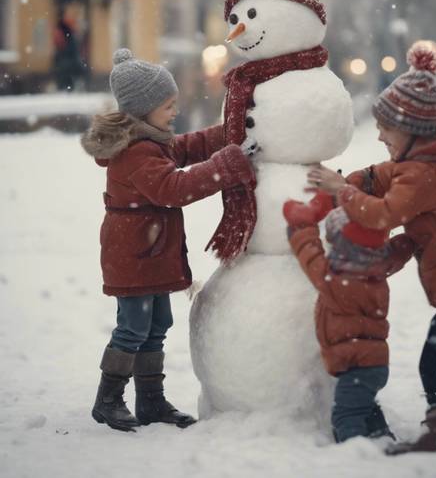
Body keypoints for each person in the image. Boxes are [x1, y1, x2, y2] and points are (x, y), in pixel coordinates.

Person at [307, 42, 436, 462]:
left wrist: (340, 192)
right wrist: (354, 188)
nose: (378, 135)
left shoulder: (424, 173)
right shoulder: (434, 166)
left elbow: (384, 214)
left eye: (386, 129)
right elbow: (411, 215)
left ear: (412, 130)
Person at [81, 48, 256, 433]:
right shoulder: (136, 152)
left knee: (157, 322)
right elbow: (173, 188)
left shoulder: (150, 139)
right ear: (144, 110)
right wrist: (226, 164)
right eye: (168, 105)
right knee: (133, 328)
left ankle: (151, 400)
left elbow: (187, 147)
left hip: (150, 252)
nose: (174, 111)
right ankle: (108, 398)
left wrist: (227, 132)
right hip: (134, 254)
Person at [282, 188, 413, 443]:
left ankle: (353, 450)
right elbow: (396, 251)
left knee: (345, 416)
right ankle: (382, 438)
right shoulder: (377, 268)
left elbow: (309, 253)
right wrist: (407, 242)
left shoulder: (334, 279)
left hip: (355, 364)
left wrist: (300, 226)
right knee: (364, 406)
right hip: (373, 363)